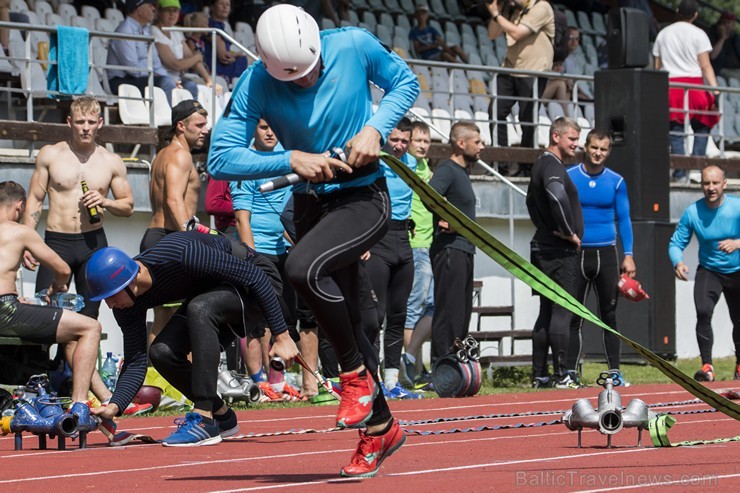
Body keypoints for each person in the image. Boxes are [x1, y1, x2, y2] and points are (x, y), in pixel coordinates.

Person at [207, 4, 419, 477]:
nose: (304, 83)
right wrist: (290, 159)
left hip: (364, 194)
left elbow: (406, 82)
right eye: (291, 78)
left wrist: (374, 128)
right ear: (265, 63)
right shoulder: (256, 82)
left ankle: (353, 379)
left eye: (310, 72)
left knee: (301, 268)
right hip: (309, 203)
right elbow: (220, 158)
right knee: (351, 321)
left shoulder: (353, 44)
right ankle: (381, 429)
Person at [85, 233, 299, 446]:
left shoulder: (182, 255)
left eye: (112, 296)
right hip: (213, 295)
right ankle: (222, 416)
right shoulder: (126, 307)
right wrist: (114, 406)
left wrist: (282, 335)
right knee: (161, 352)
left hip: (258, 280)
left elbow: (256, 278)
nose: (110, 305)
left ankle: (204, 418)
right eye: (105, 299)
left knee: (200, 308)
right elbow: (135, 361)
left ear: (134, 276)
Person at [0, 181, 105, 434]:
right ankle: (80, 403)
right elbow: (63, 269)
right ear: (20, 206)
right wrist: (56, 287)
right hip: (5, 311)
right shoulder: (19, 231)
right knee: (90, 327)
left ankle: (105, 395)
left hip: (9, 308)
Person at [22, 97, 134, 323]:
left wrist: (106, 202)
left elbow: (128, 206)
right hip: (56, 242)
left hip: (92, 244)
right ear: (69, 122)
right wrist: (27, 241)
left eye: (91, 122)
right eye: (80, 121)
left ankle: (72, 359)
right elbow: (35, 199)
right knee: (44, 313)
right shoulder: (50, 154)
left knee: (89, 317)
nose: (85, 128)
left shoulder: (111, 161)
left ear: (100, 123)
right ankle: (45, 360)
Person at [230, 119, 303, 402]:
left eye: (274, 126)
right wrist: (252, 260)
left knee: (281, 319)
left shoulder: (286, 155)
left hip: (283, 248)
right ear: (253, 131)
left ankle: (278, 380)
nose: (270, 131)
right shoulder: (246, 165)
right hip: (258, 249)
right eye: (263, 127)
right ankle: (258, 383)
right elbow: (241, 219)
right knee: (257, 322)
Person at [566, 129, 635, 386]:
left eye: (603, 149)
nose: (598, 153)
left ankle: (614, 372)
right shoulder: (570, 176)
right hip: (577, 253)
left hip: (606, 253)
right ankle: (570, 372)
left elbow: (624, 219)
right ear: (586, 147)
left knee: (609, 315)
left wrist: (628, 255)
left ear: (609, 152)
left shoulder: (616, 181)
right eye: (594, 147)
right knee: (574, 315)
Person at [140, 99, 208, 347]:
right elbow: (173, 200)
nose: (205, 130)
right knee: (187, 315)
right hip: (172, 237)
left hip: (154, 235)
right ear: (181, 125)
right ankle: (183, 380)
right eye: (199, 125)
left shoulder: (162, 154)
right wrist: (193, 239)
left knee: (162, 315)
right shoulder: (181, 156)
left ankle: (156, 381)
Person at [668, 164, 740, 382]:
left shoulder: (736, 208)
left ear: (724, 184)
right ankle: (707, 366)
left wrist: (737, 243)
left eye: (715, 182)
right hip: (709, 270)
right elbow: (675, 243)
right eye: (706, 183)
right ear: (701, 185)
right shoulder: (693, 212)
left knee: (739, 319)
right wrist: (677, 262)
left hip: (737, 271)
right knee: (703, 311)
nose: (711, 187)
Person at [526, 116, 583, 389]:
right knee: (562, 310)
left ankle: (540, 375)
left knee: (546, 311)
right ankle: (563, 375)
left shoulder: (539, 163)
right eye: (572, 139)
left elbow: (529, 202)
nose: (576, 145)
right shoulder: (551, 165)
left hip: (542, 246)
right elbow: (556, 195)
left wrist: (545, 226)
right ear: (556, 136)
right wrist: (567, 230)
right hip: (558, 251)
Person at [365, 117, 417, 397]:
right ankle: (370, 382)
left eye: (404, 141)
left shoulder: (412, 164)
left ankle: (392, 382)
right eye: (395, 139)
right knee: (376, 316)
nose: (398, 146)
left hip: (403, 241)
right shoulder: (375, 160)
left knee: (398, 315)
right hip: (378, 241)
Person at [427, 121, 482, 365]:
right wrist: (444, 219)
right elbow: (429, 194)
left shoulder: (463, 171)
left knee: (461, 312)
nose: (482, 147)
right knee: (448, 310)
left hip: (464, 248)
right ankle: (441, 364)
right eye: (477, 142)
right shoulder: (447, 169)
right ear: (461, 143)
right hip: (449, 248)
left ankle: (456, 364)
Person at [652, 0, 720, 182]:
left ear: (677, 12)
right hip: (695, 87)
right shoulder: (699, 34)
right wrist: (715, 91)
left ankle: (680, 171)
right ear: (695, 15)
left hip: (671, 87)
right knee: (702, 126)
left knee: (675, 130)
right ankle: (697, 168)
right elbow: (705, 66)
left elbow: (657, 67)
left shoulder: (663, 34)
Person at [487, 0, 555, 170]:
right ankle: (500, 164)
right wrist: (499, 11)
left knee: (527, 118)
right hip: (510, 68)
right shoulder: (512, 10)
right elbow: (492, 34)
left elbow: (517, 33)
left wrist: (496, 14)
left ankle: (526, 167)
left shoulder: (541, 7)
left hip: (533, 71)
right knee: (496, 111)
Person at [401, 121, 435, 388]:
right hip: (415, 245)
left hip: (430, 243)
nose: (423, 146)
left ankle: (414, 362)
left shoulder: (427, 168)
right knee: (414, 308)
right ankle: (407, 368)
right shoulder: (407, 167)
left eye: (427, 141)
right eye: (418, 141)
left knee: (432, 307)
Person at [107, 0, 181, 104]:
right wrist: (156, 75)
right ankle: (169, 119)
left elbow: (156, 63)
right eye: (150, 5)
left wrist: (169, 78)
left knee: (187, 85)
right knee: (166, 83)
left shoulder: (146, 30)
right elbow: (132, 68)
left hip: (141, 77)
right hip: (121, 80)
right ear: (140, 10)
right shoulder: (124, 30)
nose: (154, 9)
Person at [153, 0, 220, 99]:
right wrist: (197, 57)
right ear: (159, 12)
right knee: (187, 86)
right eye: (168, 10)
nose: (172, 14)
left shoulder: (175, 31)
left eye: (175, 11)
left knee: (194, 87)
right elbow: (175, 65)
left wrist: (209, 80)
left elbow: (190, 57)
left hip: (177, 79)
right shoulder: (154, 31)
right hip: (162, 80)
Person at [205, 0, 248, 86]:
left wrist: (235, 55)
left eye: (228, 4)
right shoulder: (214, 25)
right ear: (212, 7)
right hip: (218, 69)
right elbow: (224, 56)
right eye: (221, 3)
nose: (225, 7)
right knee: (251, 60)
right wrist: (238, 55)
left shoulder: (221, 25)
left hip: (223, 67)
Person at [709, 11, 740, 81]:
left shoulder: (735, 38)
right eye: (724, 22)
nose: (726, 25)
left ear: (733, 26)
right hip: (720, 70)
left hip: (736, 70)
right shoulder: (713, 35)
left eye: (729, 23)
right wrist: (722, 38)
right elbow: (713, 56)